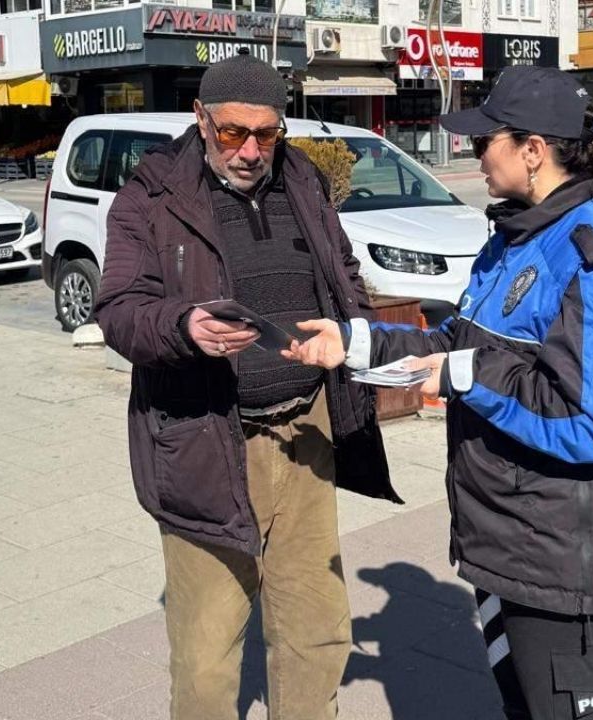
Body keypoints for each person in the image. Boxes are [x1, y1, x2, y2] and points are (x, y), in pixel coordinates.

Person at [286, 65, 593, 720]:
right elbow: (454, 346)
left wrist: (466, 377)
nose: (473, 150)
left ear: (532, 150)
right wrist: (353, 345)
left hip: (564, 573)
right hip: (506, 549)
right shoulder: (515, 239)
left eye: (485, 138)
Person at [93, 49, 399, 720]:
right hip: (208, 444)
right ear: (200, 118)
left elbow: (343, 271)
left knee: (316, 632)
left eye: (267, 132)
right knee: (206, 658)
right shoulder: (152, 194)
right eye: (234, 132)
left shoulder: (304, 182)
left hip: (306, 437)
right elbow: (117, 308)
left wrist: (359, 339)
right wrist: (184, 326)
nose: (251, 149)